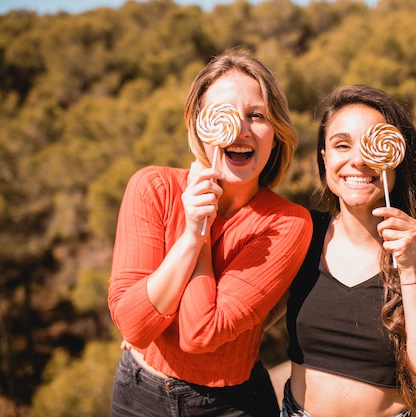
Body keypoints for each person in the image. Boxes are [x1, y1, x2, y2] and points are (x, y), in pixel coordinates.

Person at [107, 51, 312, 417]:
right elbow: (135, 326)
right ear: (201, 126)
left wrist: (199, 234)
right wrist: (190, 235)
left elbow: (200, 333)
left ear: (276, 132)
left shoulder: (287, 223)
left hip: (231, 406)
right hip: (138, 395)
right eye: (225, 114)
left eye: (257, 115)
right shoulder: (152, 187)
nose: (241, 128)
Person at [283, 85, 416, 417]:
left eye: (372, 145)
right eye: (341, 145)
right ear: (324, 158)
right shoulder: (301, 233)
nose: (359, 160)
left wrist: (410, 267)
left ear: (395, 157)